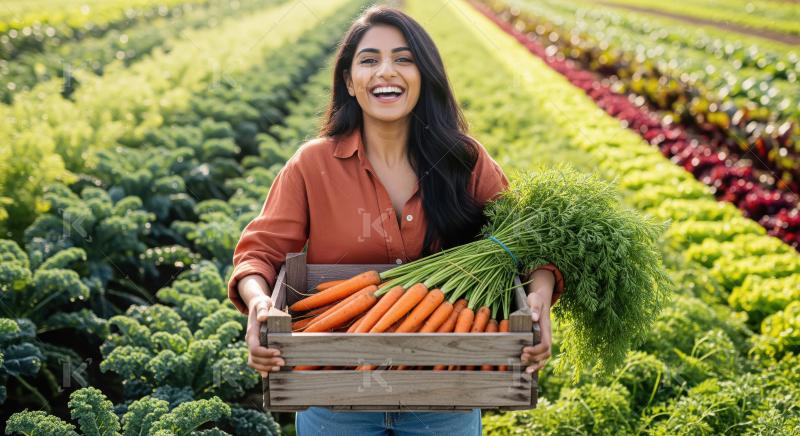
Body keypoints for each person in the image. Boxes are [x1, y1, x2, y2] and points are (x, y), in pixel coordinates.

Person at [226, 5, 565, 435]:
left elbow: (529, 240)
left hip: (447, 396)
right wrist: (258, 304)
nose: (386, 72)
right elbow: (259, 253)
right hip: (334, 392)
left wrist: (540, 293)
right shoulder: (312, 165)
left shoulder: (465, 160)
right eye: (369, 61)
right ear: (349, 82)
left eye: (404, 59)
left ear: (425, 76)